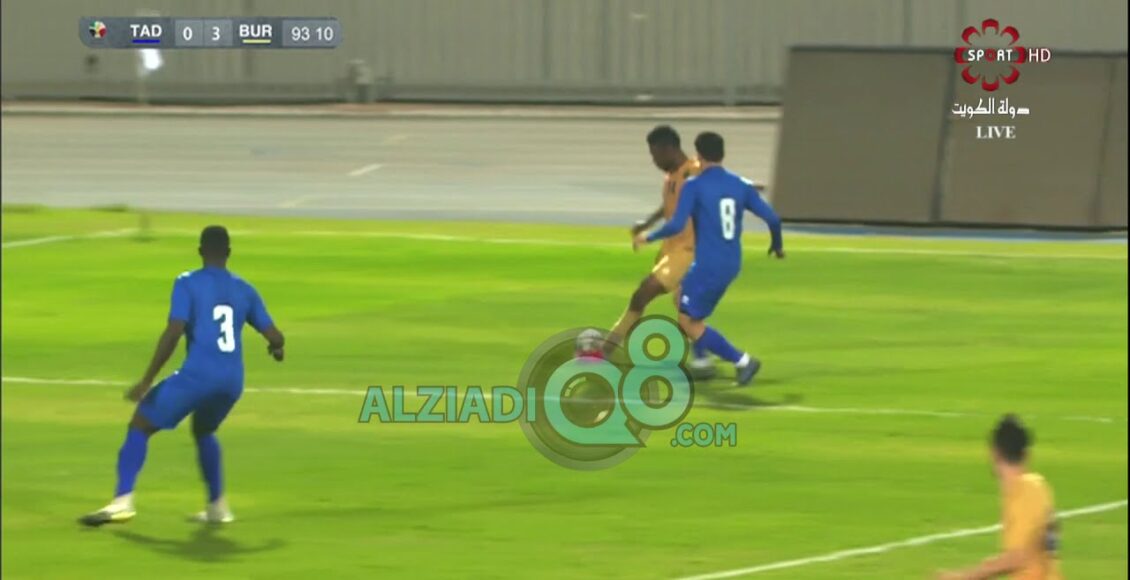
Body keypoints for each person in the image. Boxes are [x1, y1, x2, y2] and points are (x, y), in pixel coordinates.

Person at [79, 225, 285, 527]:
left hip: (198, 376)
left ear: (200, 251)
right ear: (228, 253)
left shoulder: (187, 283)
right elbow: (276, 336)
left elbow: (174, 331)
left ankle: (122, 502)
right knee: (204, 430)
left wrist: (147, 379)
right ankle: (218, 508)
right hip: (232, 383)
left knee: (140, 424)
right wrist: (276, 349)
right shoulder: (245, 289)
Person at [633, 131, 784, 386]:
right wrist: (776, 246)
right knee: (681, 298)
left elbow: (676, 224)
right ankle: (702, 359)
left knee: (688, 322)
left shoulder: (694, 186)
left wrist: (648, 237)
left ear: (699, 154)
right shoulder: (739, 185)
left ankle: (743, 361)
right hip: (731, 262)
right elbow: (773, 219)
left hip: (708, 264)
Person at [605, 125, 715, 375]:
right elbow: (670, 207)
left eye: (655, 155)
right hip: (672, 250)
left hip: (688, 252)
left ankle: (605, 350)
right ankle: (703, 359)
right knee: (684, 306)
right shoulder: (672, 177)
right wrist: (648, 222)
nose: (654, 161)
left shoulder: (694, 171)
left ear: (669, 149)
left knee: (643, 293)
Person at [936, 415, 1061, 580]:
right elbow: (1044, 540)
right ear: (1026, 454)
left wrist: (964, 576)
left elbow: (1017, 557)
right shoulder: (1038, 486)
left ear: (994, 452)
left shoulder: (1023, 492)